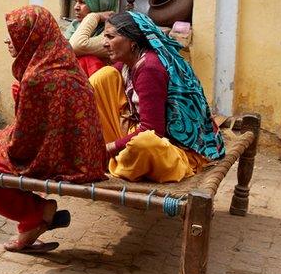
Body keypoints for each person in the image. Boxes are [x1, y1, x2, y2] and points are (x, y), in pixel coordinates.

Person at [0, 5, 106, 254]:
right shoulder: (63, 64)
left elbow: (22, 146)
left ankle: (36, 213)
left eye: (16, 33)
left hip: (62, 164)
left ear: (33, 37)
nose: (7, 39)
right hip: (85, 160)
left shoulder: (37, 78)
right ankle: (34, 218)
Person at [90, 11, 225, 182]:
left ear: (132, 41)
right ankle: (112, 155)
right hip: (148, 133)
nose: (104, 43)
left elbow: (152, 131)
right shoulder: (129, 63)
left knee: (143, 144)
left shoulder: (149, 69)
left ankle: (113, 157)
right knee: (103, 77)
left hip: (175, 148)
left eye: (110, 37)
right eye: (104, 37)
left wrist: (110, 147)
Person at [64, 0, 117, 77]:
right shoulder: (75, 25)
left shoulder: (113, 32)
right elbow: (62, 52)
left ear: (101, 3)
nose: (76, 7)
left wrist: (93, 16)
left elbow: (76, 46)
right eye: (76, 1)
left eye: (82, 2)